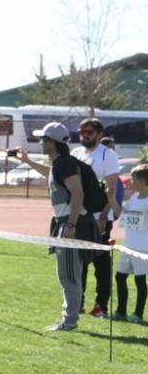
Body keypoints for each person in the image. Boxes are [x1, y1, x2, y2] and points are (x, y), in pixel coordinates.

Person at [19, 122, 97, 331]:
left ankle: (69, 321)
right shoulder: (61, 164)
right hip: (67, 223)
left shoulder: (65, 164)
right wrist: (27, 161)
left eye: (43, 139)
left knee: (70, 276)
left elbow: (77, 193)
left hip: (71, 225)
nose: (41, 143)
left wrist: (71, 225)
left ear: (51, 142)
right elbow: (51, 173)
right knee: (67, 275)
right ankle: (68, 319)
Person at [74, 118, 121, 318]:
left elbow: (111, 188)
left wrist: (104, 215)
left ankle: (101, 305)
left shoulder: (107, 155)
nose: (85, 135)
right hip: (80, 215)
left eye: (89, 132)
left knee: (100, 263)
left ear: (99, 134)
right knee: (79, 261)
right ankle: (78, 302)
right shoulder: (76, 153)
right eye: (82, 131)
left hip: (100, 216)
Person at [114, 164, 148, 323]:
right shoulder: (134, 197)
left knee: (140, 280)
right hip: (128, 245)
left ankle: (138, 314)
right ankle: (121, 311)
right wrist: (111, 199)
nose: (130, 181)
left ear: (142, 181)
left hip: (143, 247)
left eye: (133, 179)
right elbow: (122, 214)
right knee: (120, 277)